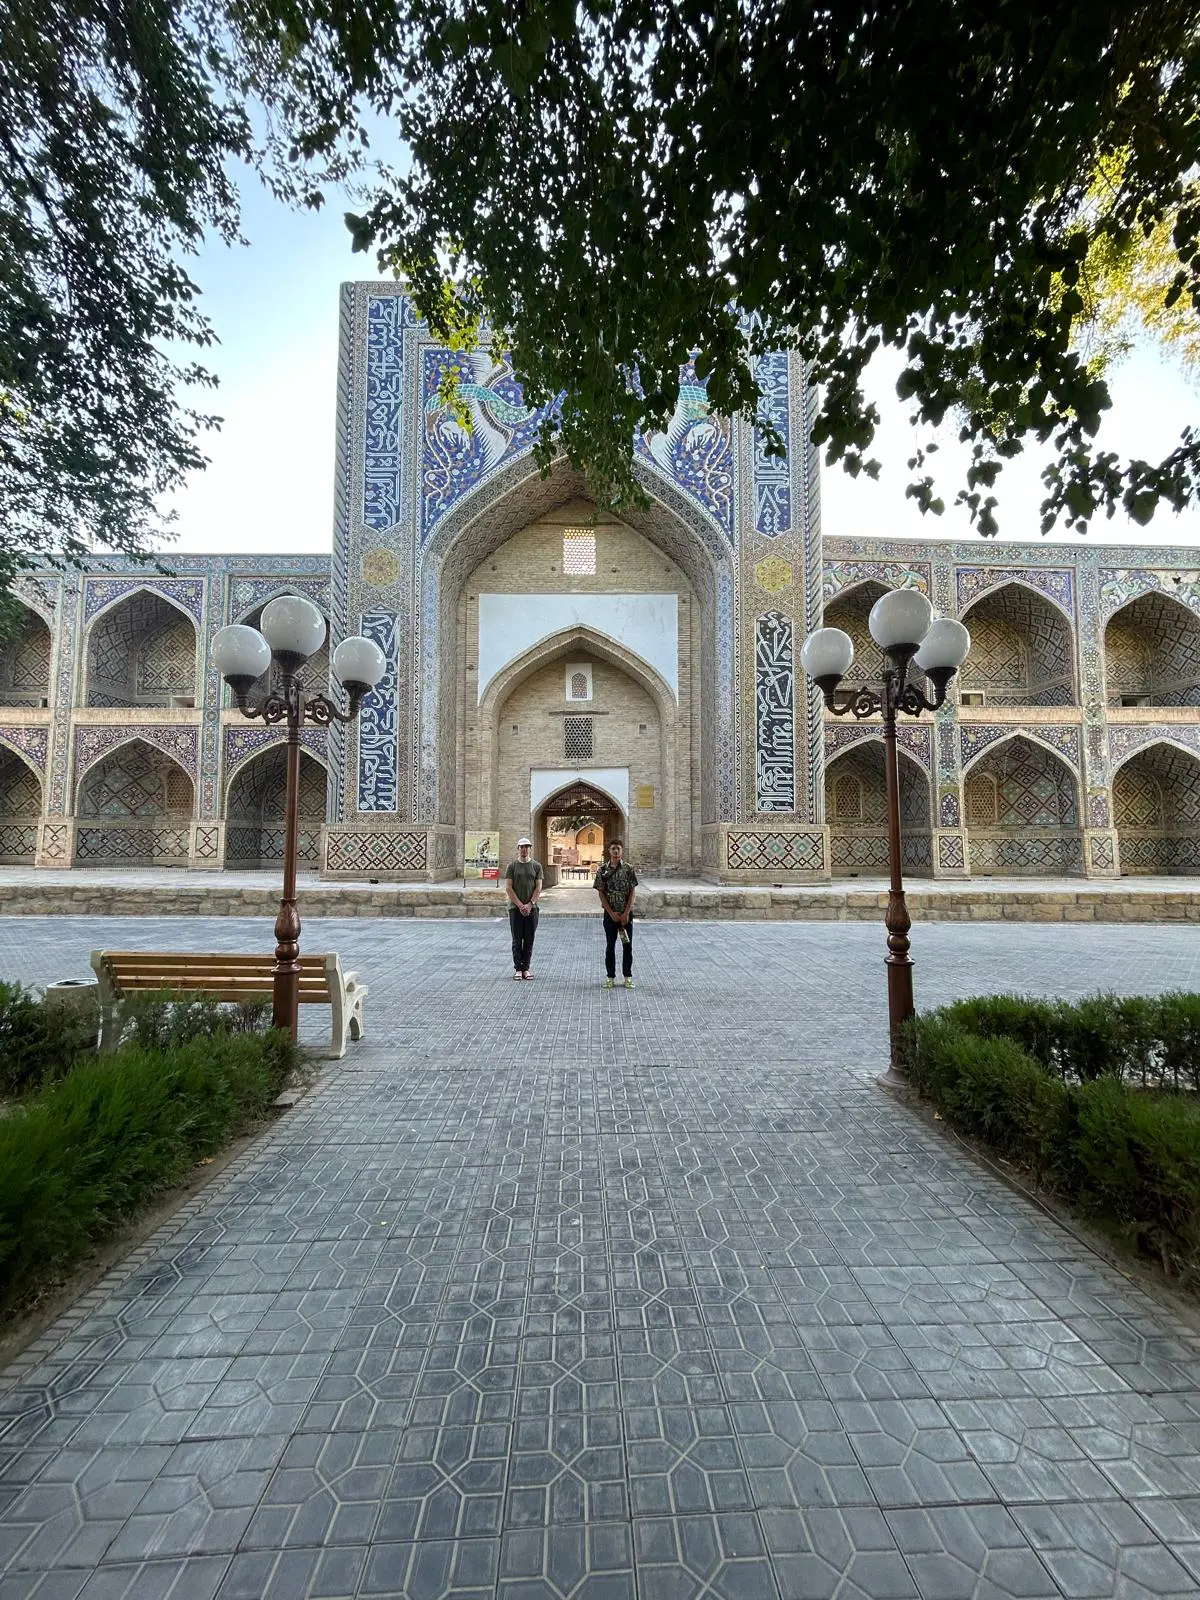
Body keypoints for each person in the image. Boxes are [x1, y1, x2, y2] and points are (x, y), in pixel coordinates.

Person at [594, 838, 638, 988]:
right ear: (609, 851)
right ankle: (610, 976)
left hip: (626, 916)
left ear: (622, 850)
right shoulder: (602, 870)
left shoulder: (629, 869)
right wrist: (611, 912)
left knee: (627, 945)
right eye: (613, 848)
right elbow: (601, 893)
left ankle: (628, 976)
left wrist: (626, 913)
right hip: (610, 916)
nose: (616, 851)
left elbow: (632, 892)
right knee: (610, 946)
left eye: (618, 848)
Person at [503, 837, 543, 979]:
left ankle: (526, 968)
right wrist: (520, 905)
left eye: (527, 847)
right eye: (522, 847)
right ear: (518, 848)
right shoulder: (512, 866)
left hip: (532, 909)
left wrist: (530, 904)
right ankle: (517, 969)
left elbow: (538, 888)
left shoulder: (536, 866)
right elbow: (508, 888)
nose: (524, 849)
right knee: (516, 939)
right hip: (515, 909)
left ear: (529, 848)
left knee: (529, 939)